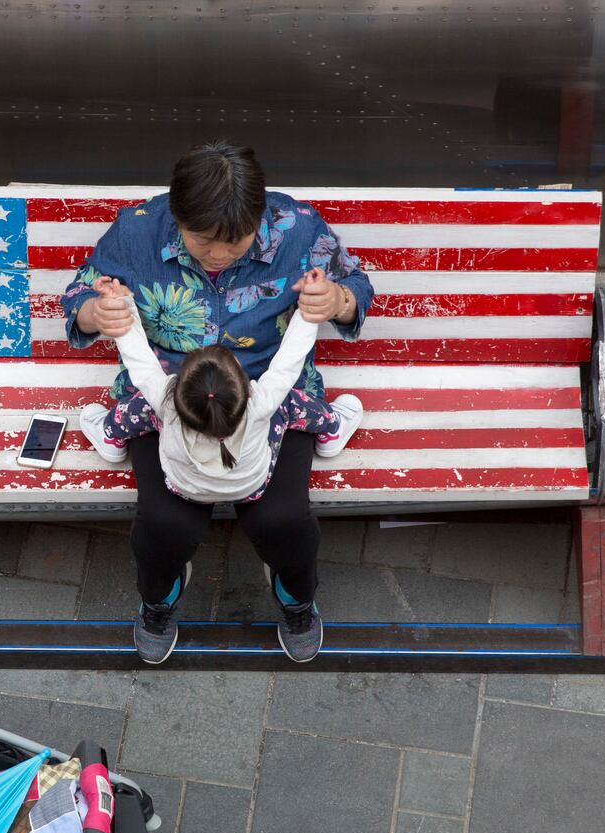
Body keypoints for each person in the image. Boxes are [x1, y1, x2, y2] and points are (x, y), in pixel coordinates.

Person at [60, 141, 375, 663]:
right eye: (204, 240)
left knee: (282, 522)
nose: (220, 255)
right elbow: (78, 297)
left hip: (269, 394)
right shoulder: (138, 230)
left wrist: (336, 301)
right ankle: (159, 598)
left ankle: (295, 596)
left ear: (260, 217)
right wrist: (98, 312)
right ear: (177, 216)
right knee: (165, 525)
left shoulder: (298, 227)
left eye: (236, 242)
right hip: (171, 395)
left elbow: (356, 287)